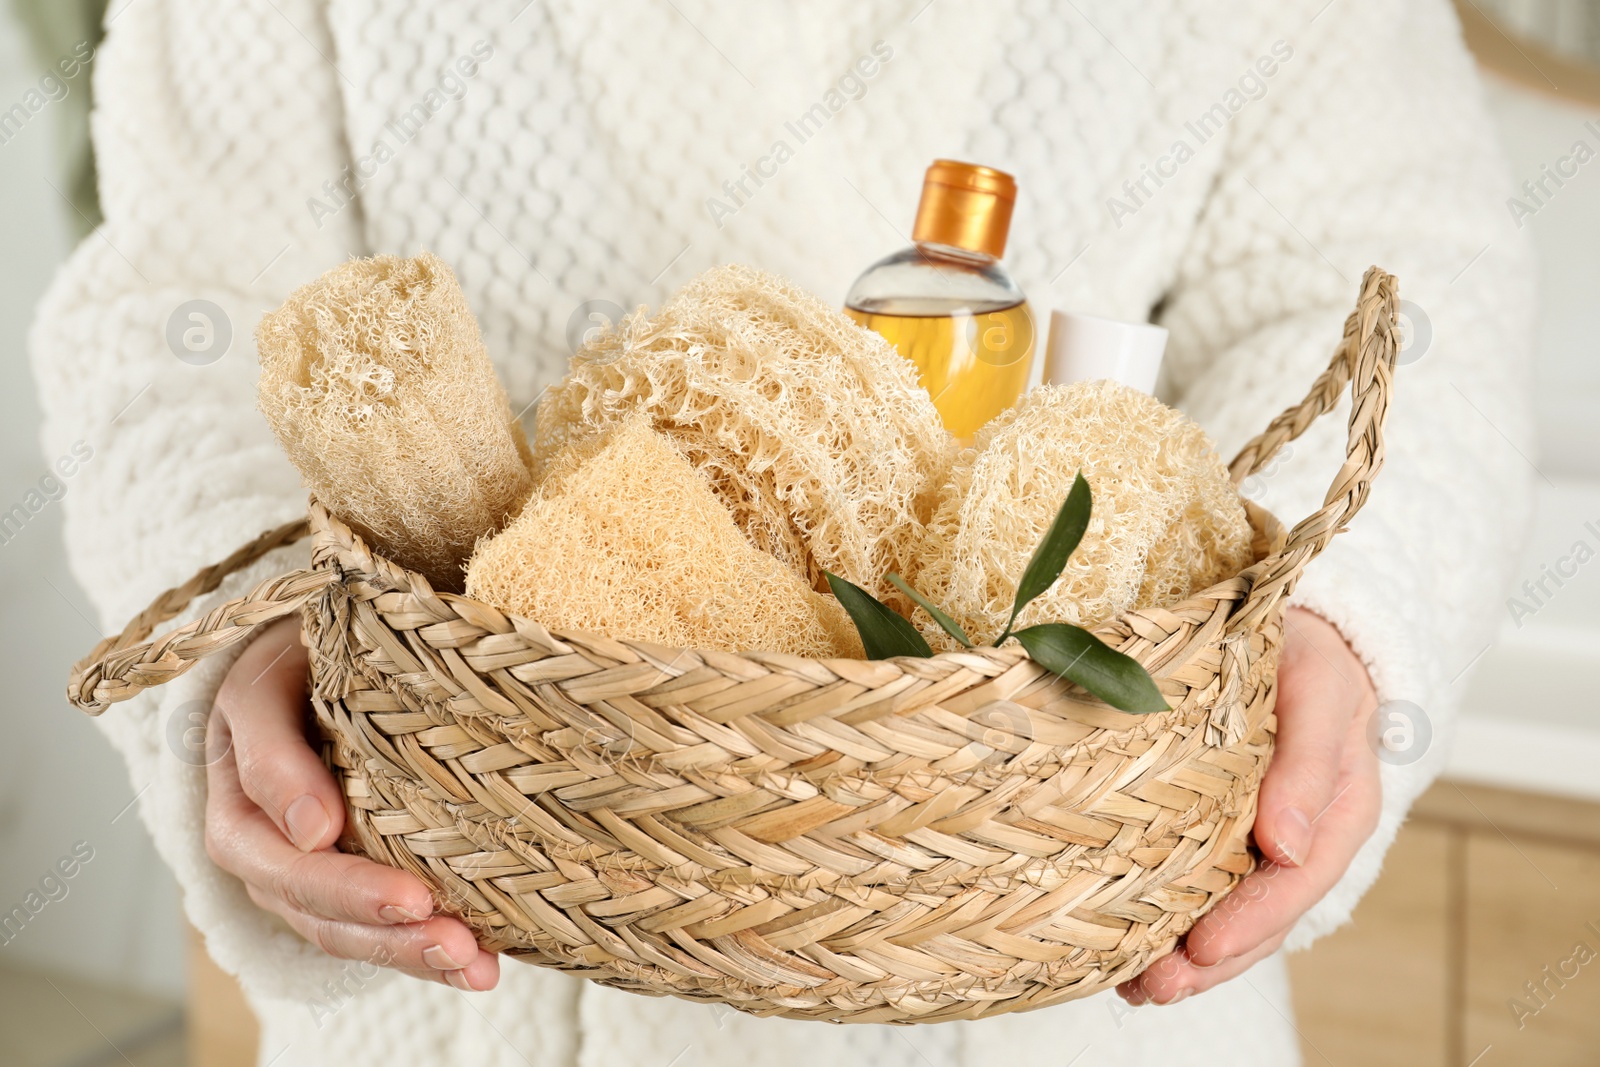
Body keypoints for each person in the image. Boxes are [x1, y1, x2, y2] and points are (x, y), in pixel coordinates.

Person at [31, 0, 1533, 1063]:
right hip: (482, 962)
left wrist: (1343, 611)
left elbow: (1383, 274)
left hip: (1070, 966)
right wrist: (244, 643)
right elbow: (182, 296)